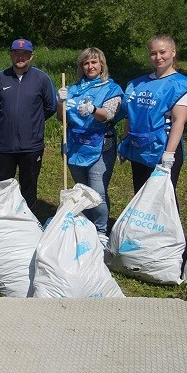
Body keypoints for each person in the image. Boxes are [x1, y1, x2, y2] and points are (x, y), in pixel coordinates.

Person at [56, 47, 123, 237]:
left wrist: (93, 109)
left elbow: (108, 115)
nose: (90, 66)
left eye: (94, 62)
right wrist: (60, 102)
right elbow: (61, 118)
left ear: (102, 64)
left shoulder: (111, 88)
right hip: (75, 146)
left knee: (97, 192)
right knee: (81, 191)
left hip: (100, 146)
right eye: (86, 63)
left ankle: (101, 232)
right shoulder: (73, 89)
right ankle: (84, 229)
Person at [117, 34, 187, 193]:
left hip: (163, 148)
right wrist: (125, 142)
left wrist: (169, 154)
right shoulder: (137, 84)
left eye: (163, 52)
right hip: (139, 148)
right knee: (141, 195)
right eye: (153, 53)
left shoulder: (181, 85)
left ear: (173, 52)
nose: (158, 57)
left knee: (163, 199)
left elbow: (178, 121)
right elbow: (129, 116)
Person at [0, 38, 57, 212]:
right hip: (4, 146)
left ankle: (29, 223)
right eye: (16, 53)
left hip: (31, 146)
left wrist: (32, 122)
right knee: (2, 189)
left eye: (24, 53)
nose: (20, 57)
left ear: (31, 56)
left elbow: (50, 107)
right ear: (11, 55)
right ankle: (2, 222)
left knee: (29, 188)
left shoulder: (42, 79)